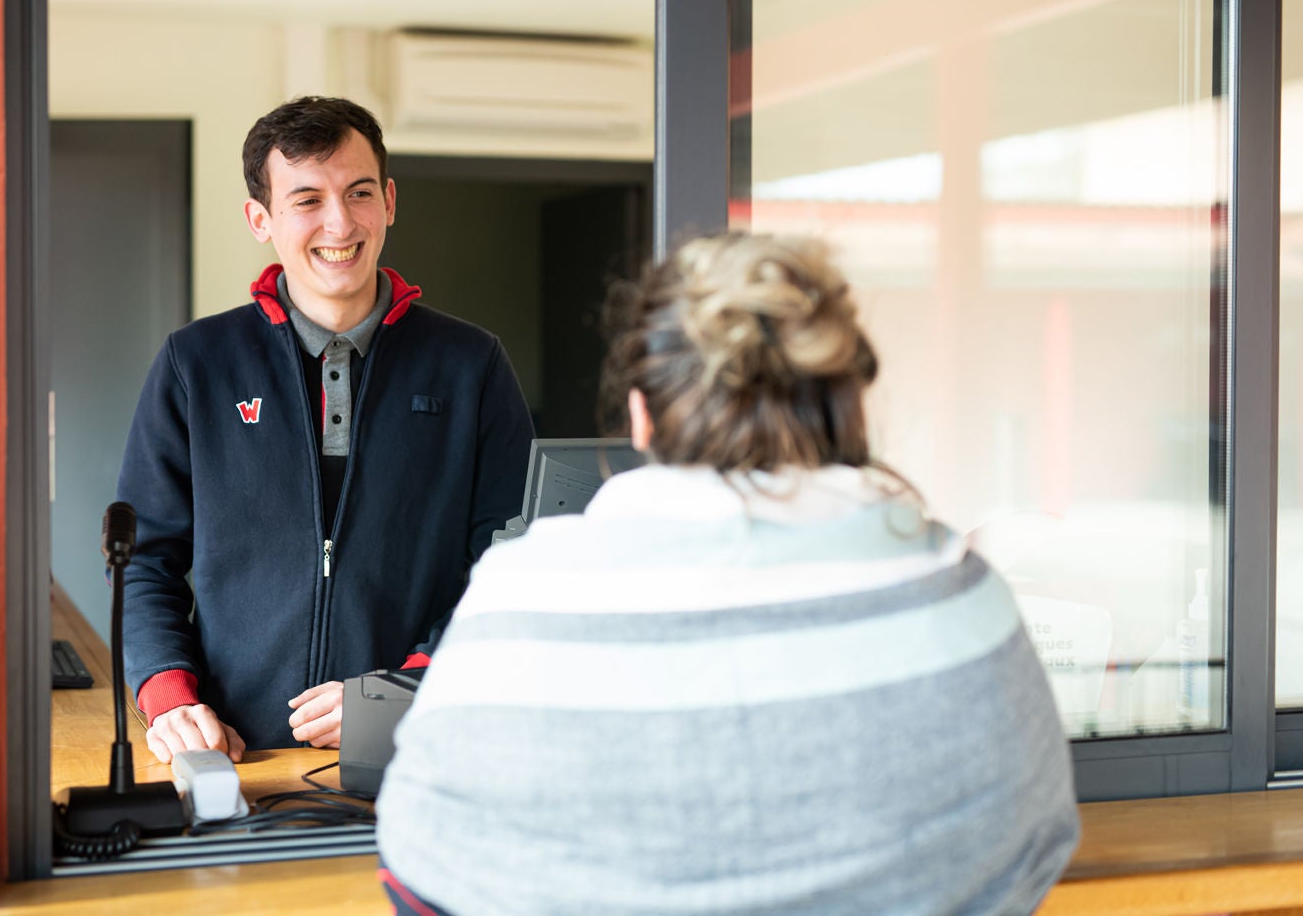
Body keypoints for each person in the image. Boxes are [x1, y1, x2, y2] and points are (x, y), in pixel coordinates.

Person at [374, 232, 1080, 915]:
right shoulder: (962, 599)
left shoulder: (516, 601)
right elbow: (1034, 844)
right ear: (847, 407)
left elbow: (423, 862)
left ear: (642, 419)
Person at [117, 96, 534, 761]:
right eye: (307, 199)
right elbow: (144, 560)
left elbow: (510, 563)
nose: (339, 222)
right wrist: (170, 698)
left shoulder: (471, 365)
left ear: (390, 201)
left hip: (417, 746)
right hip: (238, 756)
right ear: (261, 219)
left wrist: (412, 684)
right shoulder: (195, 365)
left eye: (359, 192)